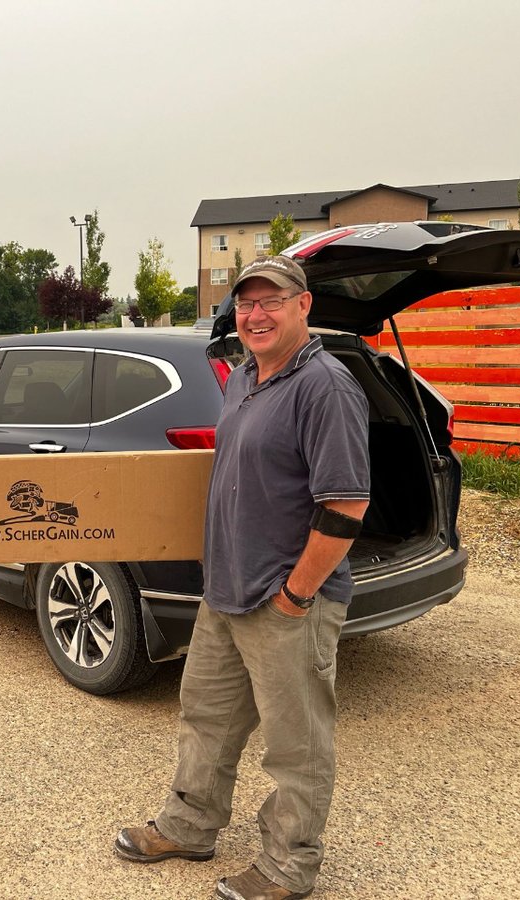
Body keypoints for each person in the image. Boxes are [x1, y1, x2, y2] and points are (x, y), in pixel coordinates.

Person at [114, 256, 370, 900]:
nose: (256, 315)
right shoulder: (245, 377)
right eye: (246, 303)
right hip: (226, 589)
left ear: (303, 306)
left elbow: (346, 505)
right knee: (206, 717)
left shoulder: (327, 388)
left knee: (295, 746)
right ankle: (190, 825)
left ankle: (288, 867)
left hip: (287, 599)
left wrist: (295, 596)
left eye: (271, 301)